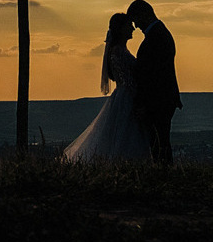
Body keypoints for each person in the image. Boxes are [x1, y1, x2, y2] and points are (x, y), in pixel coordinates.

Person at [61, 12, 149, 164]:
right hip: (127, 99)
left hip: (122, 97)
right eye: (129, 25)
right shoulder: (119, 52)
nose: (133, 28)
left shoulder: (120, 50)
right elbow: (129, 82)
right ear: (121, 29)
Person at [126, 0, 180, 166]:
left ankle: (164, 174)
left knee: (159, 143)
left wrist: (143, 103)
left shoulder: (156, 37)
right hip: (162, 99)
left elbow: (151, 76)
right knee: (160, 142)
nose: (135, 26)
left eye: (135, 20)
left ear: (144, 14)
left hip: (158, 101)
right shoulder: (159, 33)